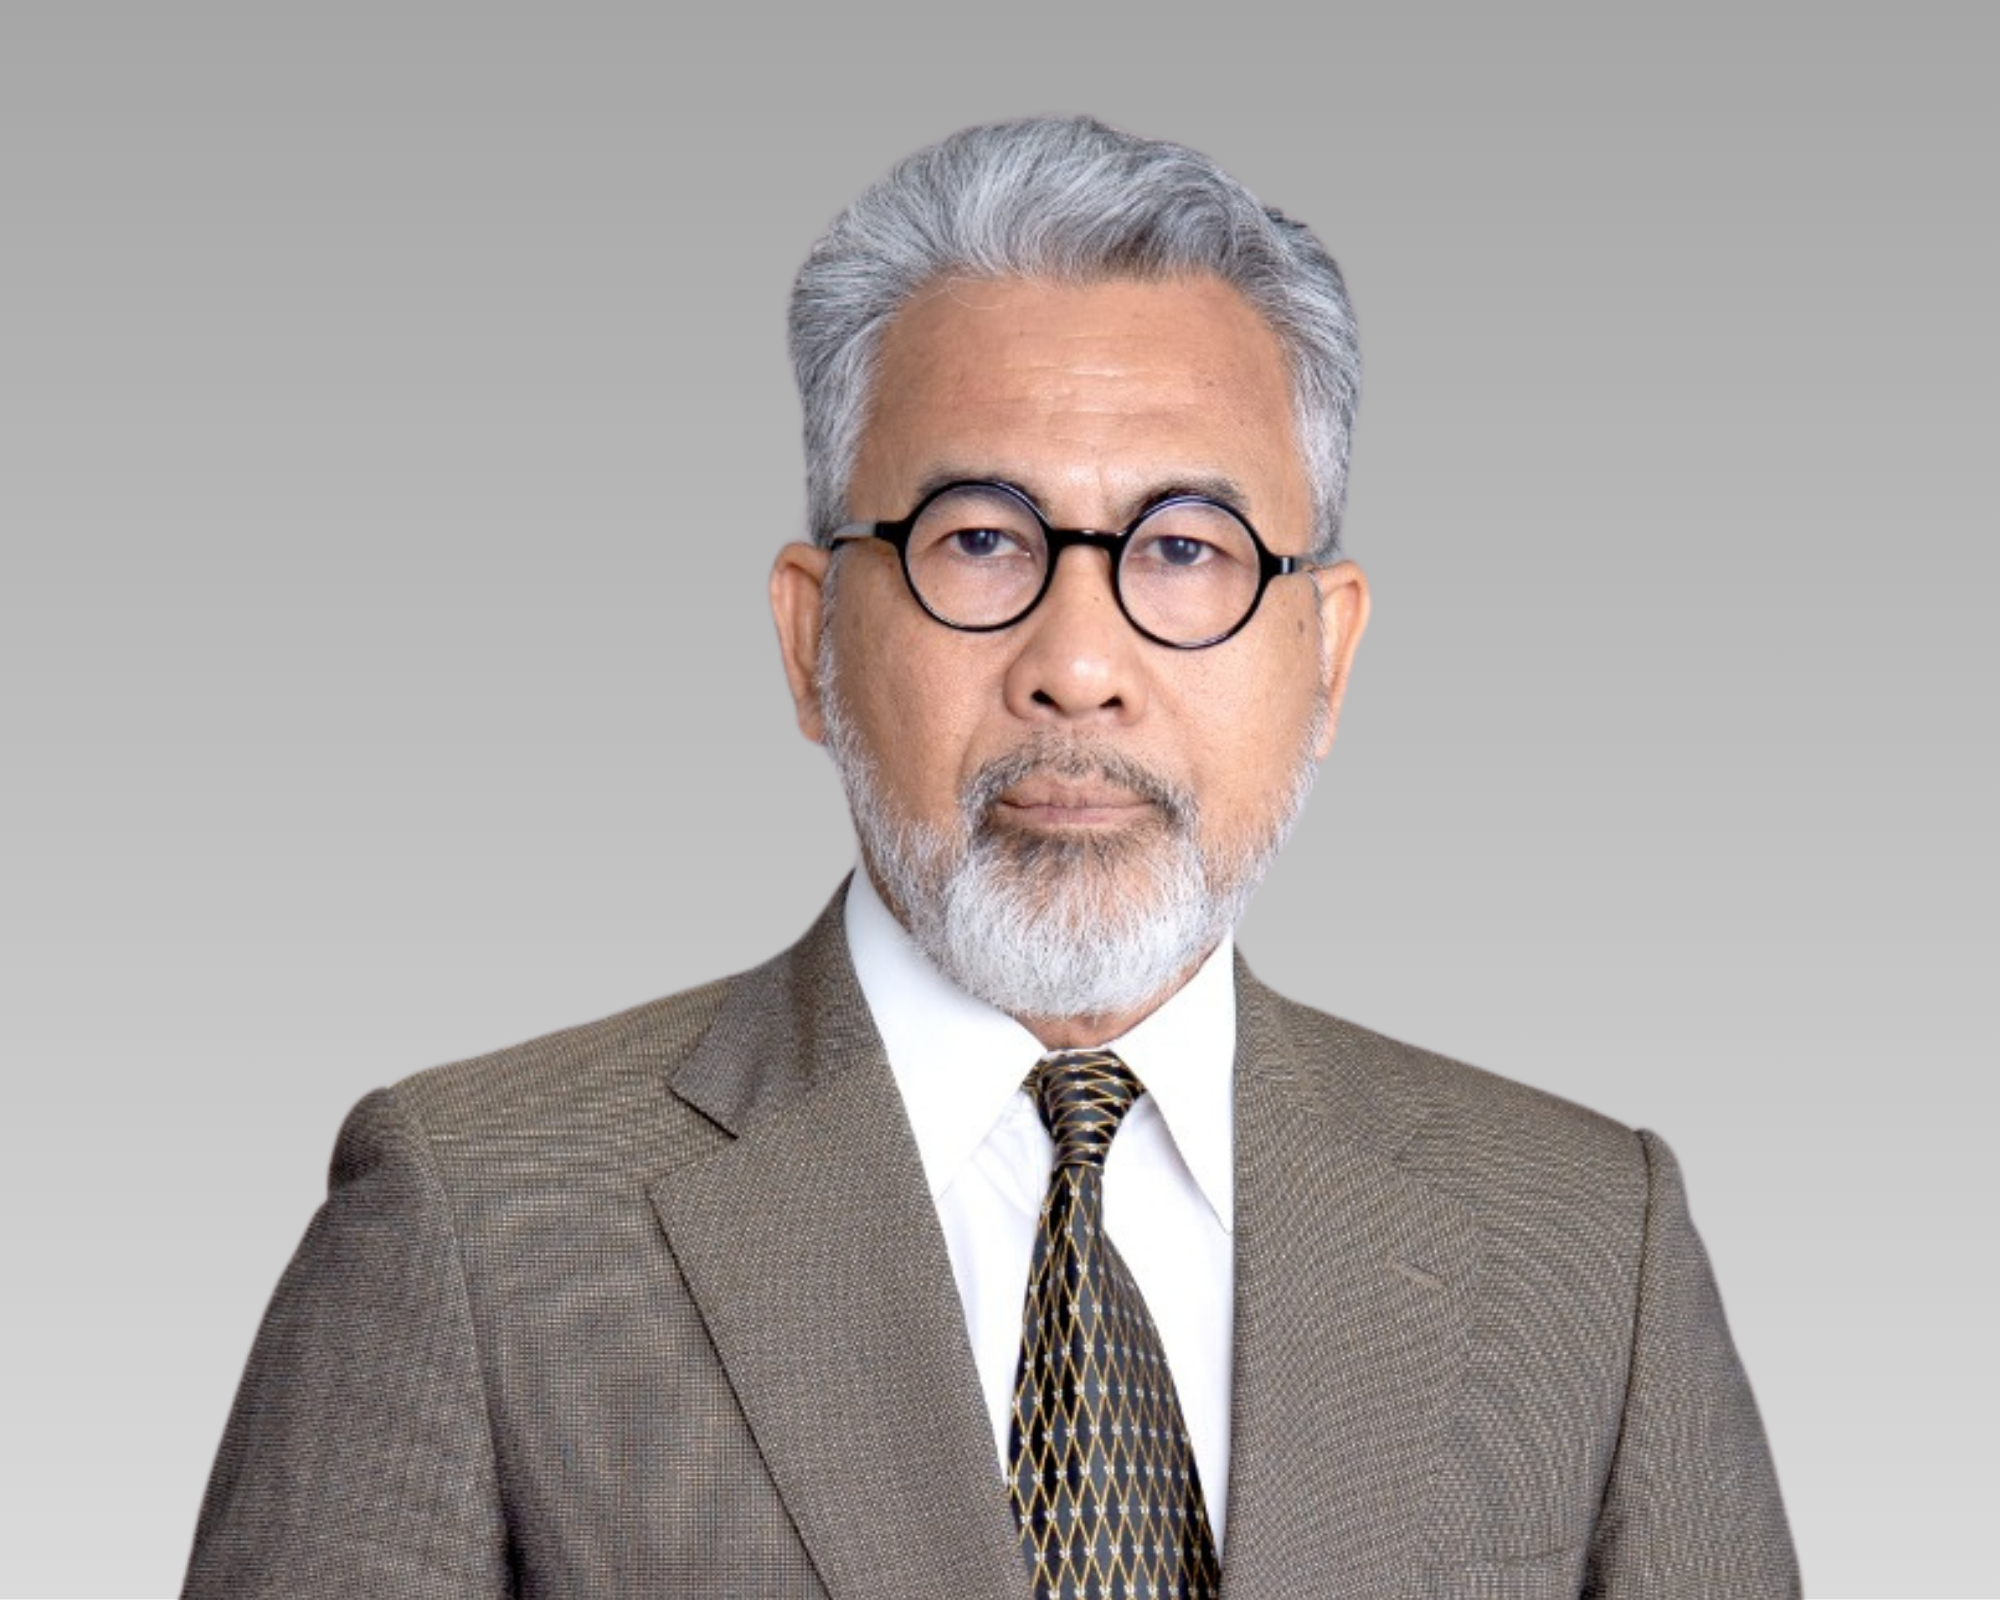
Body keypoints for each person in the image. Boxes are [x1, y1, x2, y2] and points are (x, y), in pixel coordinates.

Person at [184, 116, 1800, 1598]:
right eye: (979, 541)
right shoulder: (477, 1224)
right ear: (813, 638)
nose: (1077, 664)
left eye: (1185, 549)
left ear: (1326, 656)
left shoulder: (1592, 1245)